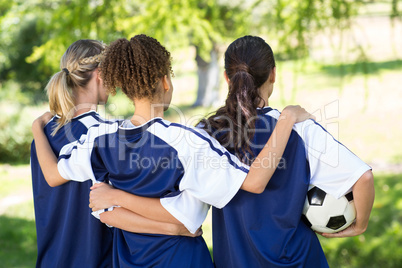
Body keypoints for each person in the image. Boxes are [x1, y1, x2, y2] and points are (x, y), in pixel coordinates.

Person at [32, 34, 314, 268]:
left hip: (127, 260)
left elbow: (69, 184)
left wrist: (37, 129)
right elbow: (254, 182)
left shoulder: (98, 138)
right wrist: (286, 119)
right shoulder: (186, 140)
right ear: (165, 82)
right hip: (182, 259)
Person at [195, 35, 374, 267]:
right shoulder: (300, 129)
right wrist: (360, 224)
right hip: (299, 259)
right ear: (273, 74)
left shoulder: (207, 132)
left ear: (227, 78)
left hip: (235, 260)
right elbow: (363, 177)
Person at [31, 39, 195, 268]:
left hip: (51, 260)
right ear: (100, 74)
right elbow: (119, 211)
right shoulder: (106, 136)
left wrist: (36, 131)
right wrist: (176, 227)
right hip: (97, 260)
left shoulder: (45, 133)